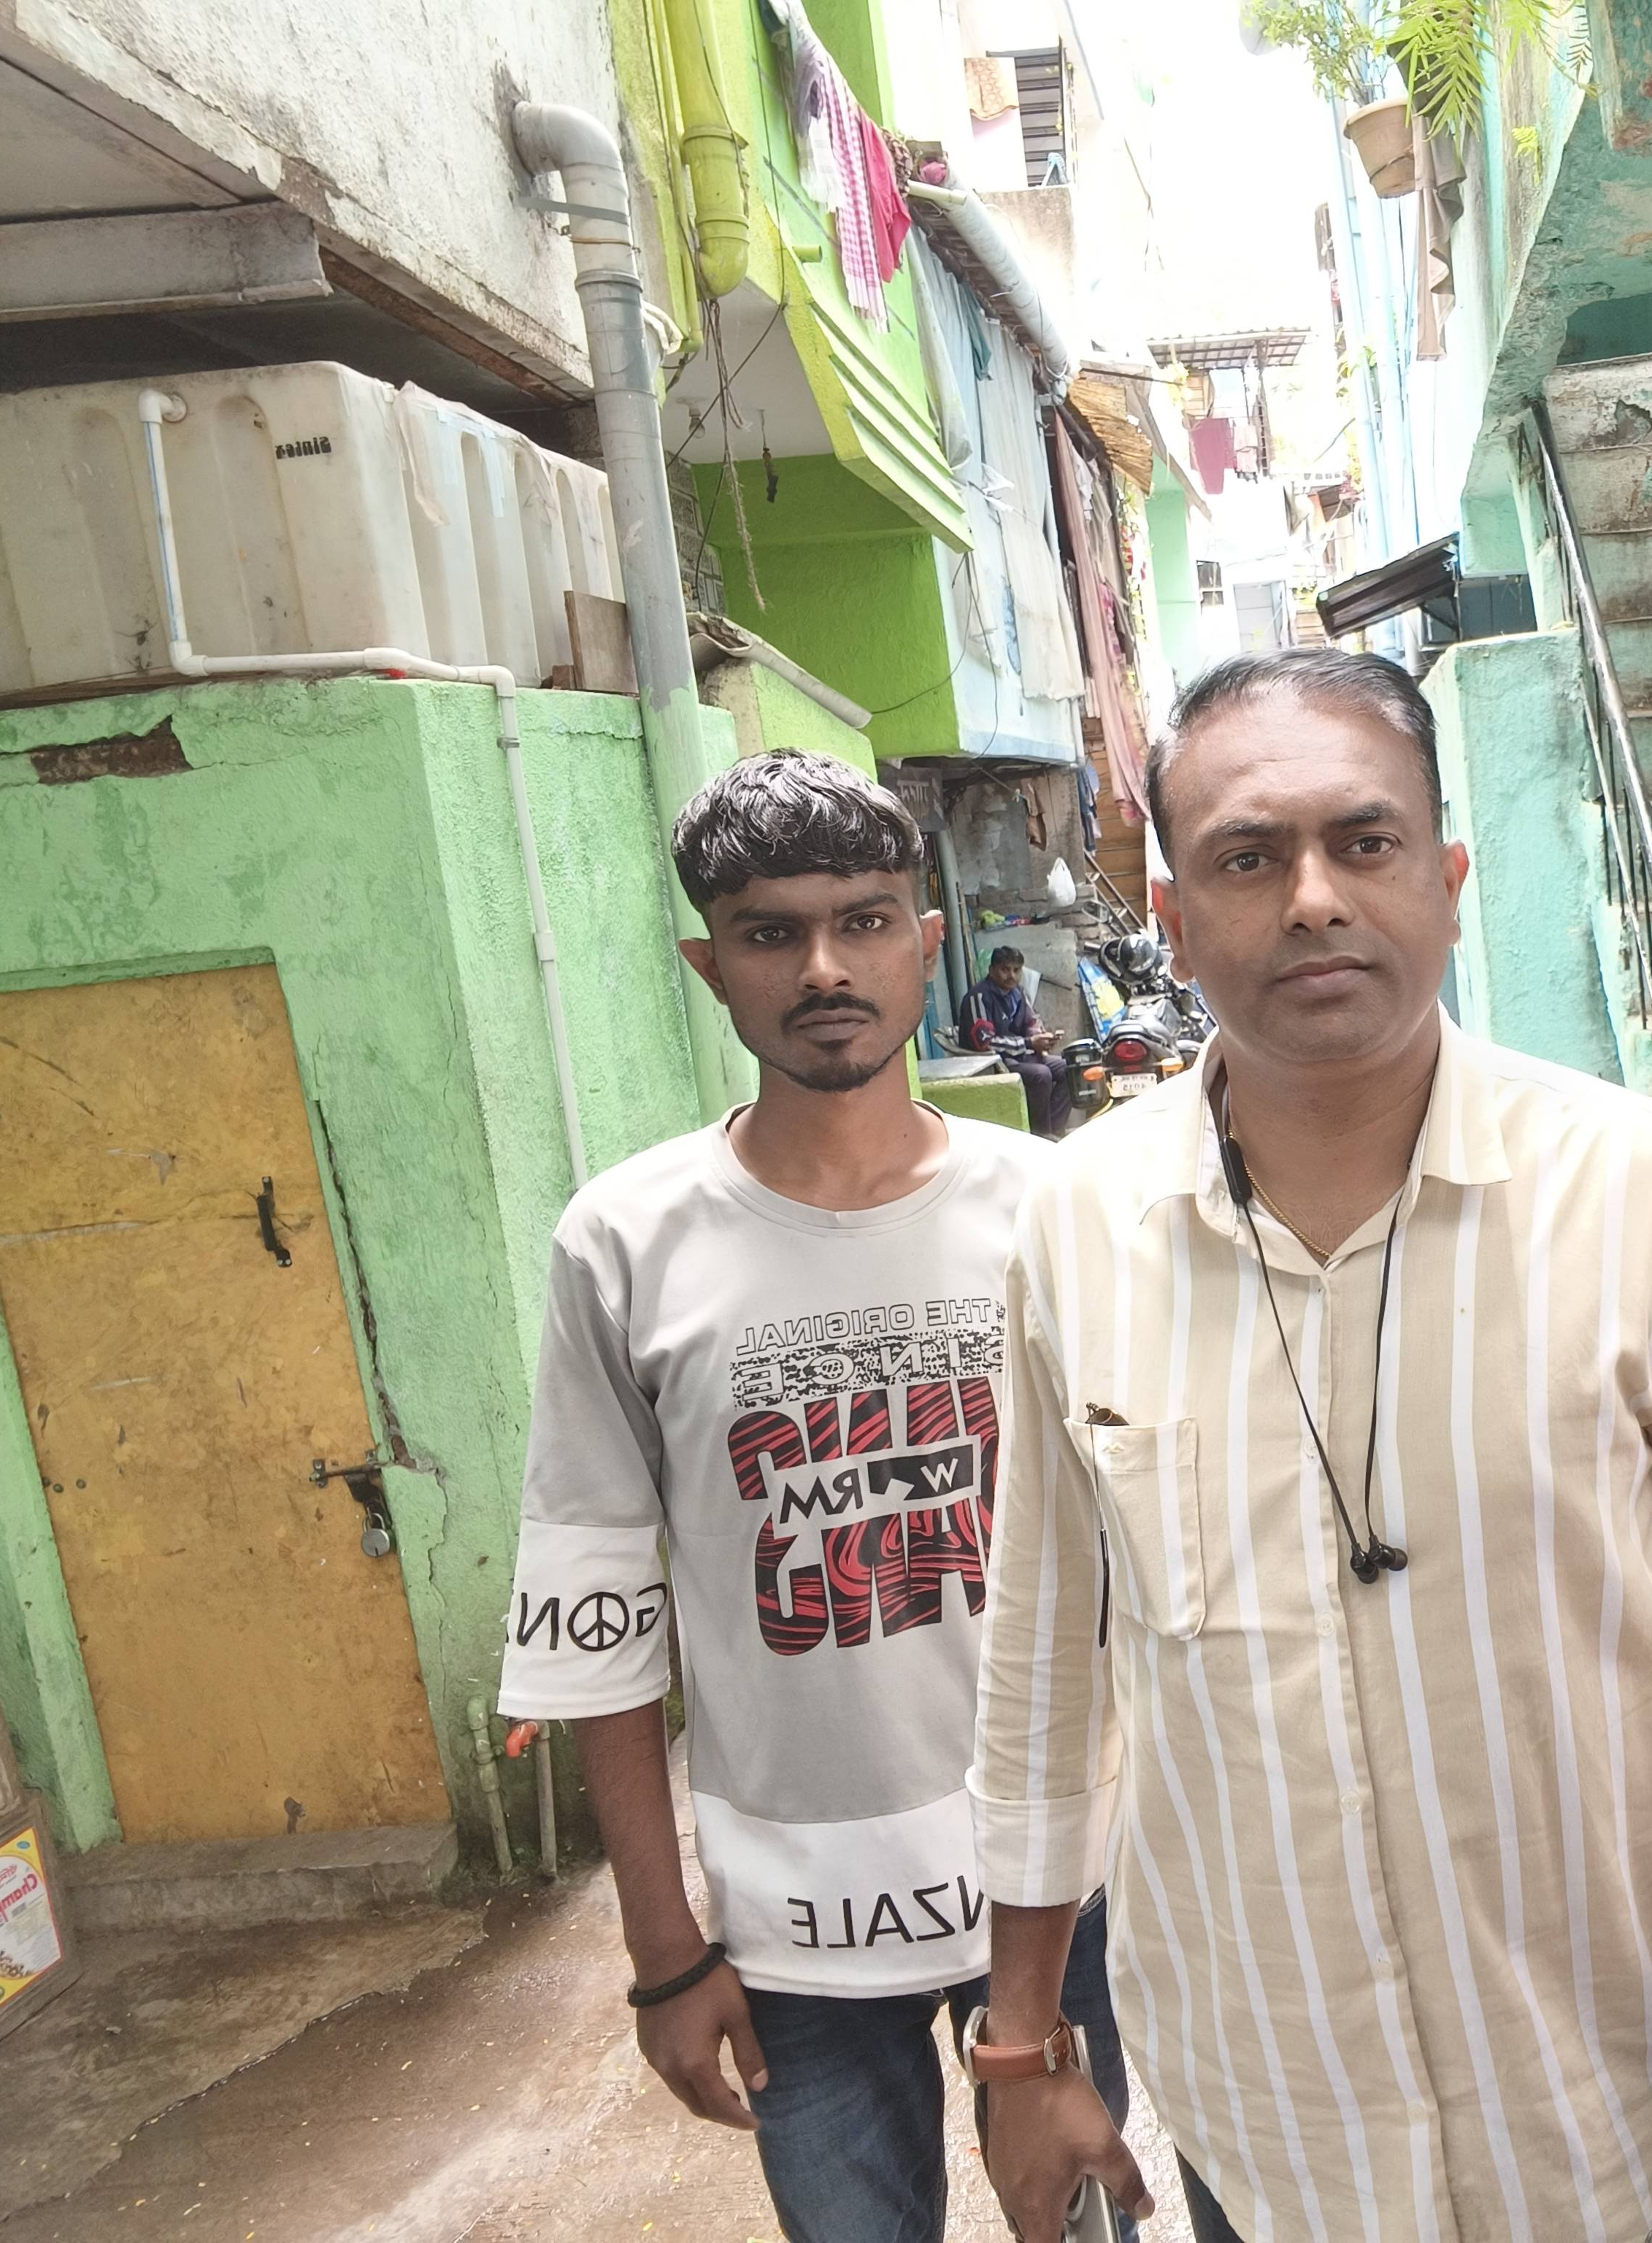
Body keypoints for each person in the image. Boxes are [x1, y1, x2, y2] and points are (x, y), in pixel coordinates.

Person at [967, 648, 1652, 2242]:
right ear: (1169, 915)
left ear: (1448, 880)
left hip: (1614, 2117)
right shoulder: (1076, 1223)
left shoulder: (1650, 1198)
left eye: (1365, 842)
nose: (1313, 901)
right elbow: (1041, 1664)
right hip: (1268, 2133)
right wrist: (1021, 2046)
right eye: (1246, 858)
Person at [496, 751, 1131, 2242]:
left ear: (926, 937)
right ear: (706, 961)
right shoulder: (624, 1242)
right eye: (771, 932)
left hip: (1061, 1882)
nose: (825, 968)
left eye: (864, 920)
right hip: (797, 1928)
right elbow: (598, 1613)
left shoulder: (1050, 1210)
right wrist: (664, 1948)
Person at [966, 943, 1073, 1138]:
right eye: (1005, 970)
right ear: (992, 970)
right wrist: (1029, 1043)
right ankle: (1041, 1134)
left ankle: (1055, 1129)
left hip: (1021, 1055)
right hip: (996, 1062)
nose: (1012, 976)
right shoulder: (979, 996)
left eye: (1016, 970)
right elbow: (984, 1042)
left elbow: (1031, 1021)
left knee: (1069, 1068)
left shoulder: (1018, 993)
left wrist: (1041, 1037)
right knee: (1041, 1074)